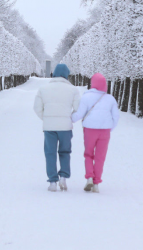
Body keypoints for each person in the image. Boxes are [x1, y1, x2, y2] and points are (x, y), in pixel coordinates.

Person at [33, 63, 80, 192]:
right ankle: (63, 177)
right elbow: (78, 109)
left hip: (49, 127)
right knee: (65, 152)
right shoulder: (73, 90)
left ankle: (52, 182)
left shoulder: (43, 89)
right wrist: (69, 118)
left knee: (50, 153)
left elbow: (37, 108)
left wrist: (47, 118)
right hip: (65, 127)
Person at [71, 73, 120, 193]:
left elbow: (79, 114)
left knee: (88, 154)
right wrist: (109, 128)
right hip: (105, 132)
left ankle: (89, 177)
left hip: (89, 130)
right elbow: (116, 117)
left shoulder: (86, 97)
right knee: (100, 157)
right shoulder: (110, 98)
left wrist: (70, 119)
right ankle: (97, 183)